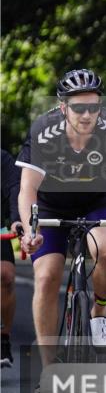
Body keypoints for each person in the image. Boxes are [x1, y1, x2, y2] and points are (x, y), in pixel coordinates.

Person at [16, 69, 106, 367]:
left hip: (97, 201)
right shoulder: (45, 130)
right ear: (63, 107)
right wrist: (30, 231)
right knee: (47, 277)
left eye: (93, 107)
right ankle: (49, 368)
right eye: (78, 108)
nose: (87, 115)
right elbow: (27, 189)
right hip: (51, 205)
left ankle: (100, 312)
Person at [1, 149, 21, 368]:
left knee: (5, 276)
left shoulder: (2, 159)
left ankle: (3, 339)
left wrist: (17, 220)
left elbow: (15, 189)